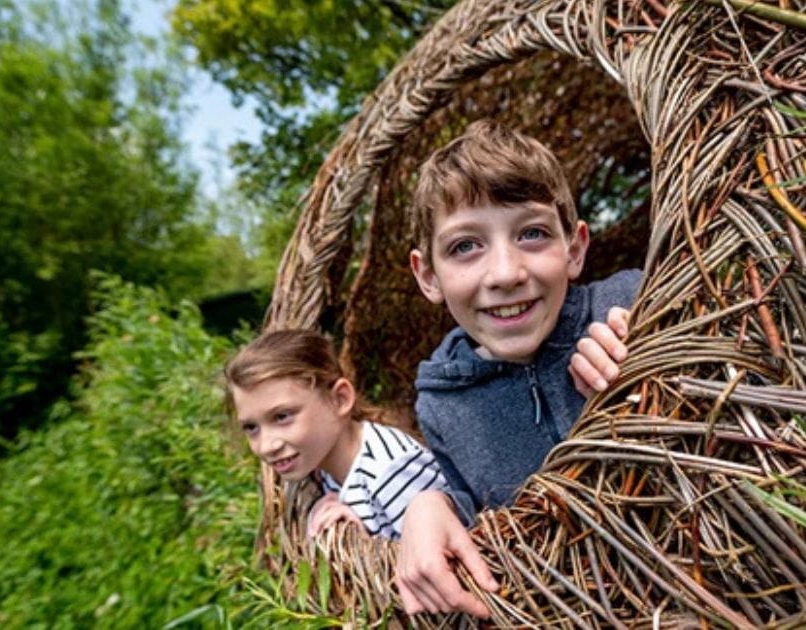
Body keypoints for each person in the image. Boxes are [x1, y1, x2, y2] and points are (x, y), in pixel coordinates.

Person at [399, 120, 640, 616]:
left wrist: (653, 351)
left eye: (532, 234)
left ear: (574, 249)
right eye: (465, 246)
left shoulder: (633, 303)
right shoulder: (442, 402)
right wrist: (429, 506)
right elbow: (477, 507)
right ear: (428, 276)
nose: (506, 274)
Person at [224, 329, 450, 540]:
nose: (266, 446)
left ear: (339, 399)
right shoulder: (325, 465)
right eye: (252, 427)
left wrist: (367, 543)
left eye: (282, 416)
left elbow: (440, 555)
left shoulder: (390, 472)